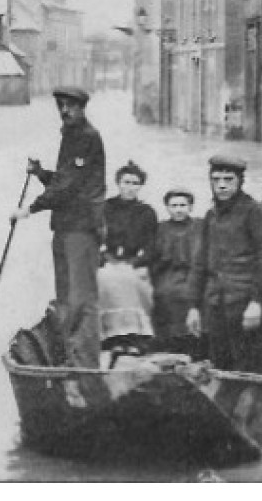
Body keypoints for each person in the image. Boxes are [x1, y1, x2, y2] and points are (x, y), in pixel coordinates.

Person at [11, 85, 105, 369]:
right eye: (61, 106)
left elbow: (67, 186)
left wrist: (29, 209)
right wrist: (41, 173)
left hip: (81, 229)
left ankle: (86, 365)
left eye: (71, 106)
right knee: (64, 296)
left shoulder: (86, 137)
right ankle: (70, 357)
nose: (65, 111)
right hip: (65, 227)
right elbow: (63, 180)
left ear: (82, 108)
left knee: (80, 299)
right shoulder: (71, 136)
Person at [185, 155, 262, 373]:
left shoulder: (255, 212)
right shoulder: (211, 215)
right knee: (219, 361)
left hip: (245, 303)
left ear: (240, 181)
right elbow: (200, 263)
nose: (222, 185)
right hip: (216, 303)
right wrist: (193, 307)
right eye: (216, 180)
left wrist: (257, 302)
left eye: (228, 179)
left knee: (248, 364)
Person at [97, 161, 158, 362]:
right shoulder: (106, 208)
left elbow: (151, 245)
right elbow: (95, 238)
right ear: (118, 183)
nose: (130, 187)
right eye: (126, 182)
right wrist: (103, 258)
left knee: (132, 279)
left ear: (140, 186)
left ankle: (134, 337)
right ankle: (110, 336)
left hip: (134, 261)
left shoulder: (146, 212)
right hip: (108, 258)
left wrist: (137, 262)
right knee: (104, 278)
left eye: (135, 183)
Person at [149, 188, 201, 357]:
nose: (178, 209)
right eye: (174, 205)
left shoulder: (199, 226)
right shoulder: (160, 228)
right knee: (165, 294)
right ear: (167, 207)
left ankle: (194, 346)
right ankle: (169, 346)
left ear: (190, 207)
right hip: (168, 274)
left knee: (193, 296)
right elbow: (154, 256)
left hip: (194, 273)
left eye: (183, 205)